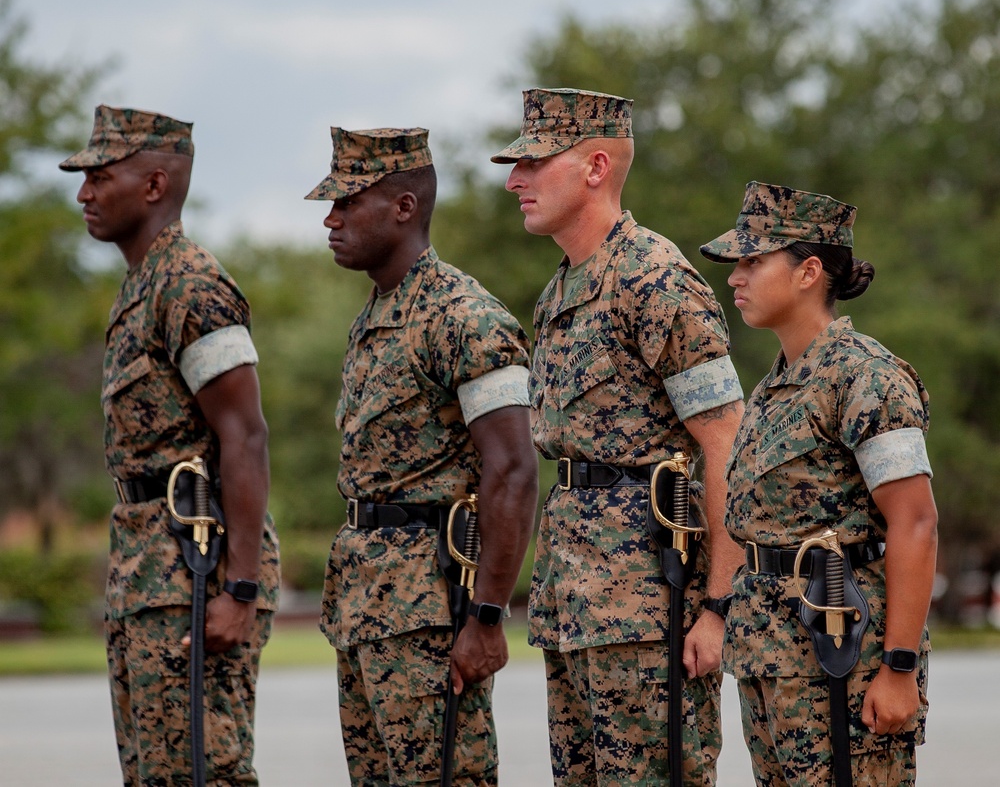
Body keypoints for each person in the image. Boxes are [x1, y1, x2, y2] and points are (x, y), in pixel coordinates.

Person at [491, 87, 746, 786]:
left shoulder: (656, 280)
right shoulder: (560, 293)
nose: (515, 180)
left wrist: (718, 609)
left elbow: (726, 447)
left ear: (595, 167)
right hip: (574, 605)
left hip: (649, 608)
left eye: (534, 162)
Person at [305, 126, 538, 785]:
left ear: (404, 207)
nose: (331, 218)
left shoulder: (464, 317)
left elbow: (515, 469)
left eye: (348, 201)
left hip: (430, 612)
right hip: (367, 608)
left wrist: (487, 617)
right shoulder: (377, 314)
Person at [60, 105, 281, 784]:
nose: (84, 194)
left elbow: (244, 434)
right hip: (146, 574)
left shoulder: (190, 283)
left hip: (197, 574)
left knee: (202, 773)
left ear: (154, 186)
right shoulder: (142, 286)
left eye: (101, 177)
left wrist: (239, 588)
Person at [700, 181, 938, 786]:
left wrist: (900, 668)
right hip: (773, 666)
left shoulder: (867, 378)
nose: (736, 278)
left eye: (753, 261)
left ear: (809, 271)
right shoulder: (774, 387)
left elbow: (916, 522)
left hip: (843, 662)